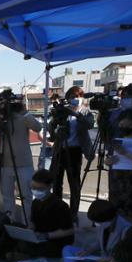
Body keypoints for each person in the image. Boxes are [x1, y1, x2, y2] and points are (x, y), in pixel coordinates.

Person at [0, 97, 42, 225]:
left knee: (26, 196)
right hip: (5, 163)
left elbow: (37, 127)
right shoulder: (0, 118)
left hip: (24, 164)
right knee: (7, 196)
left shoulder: (22, 116)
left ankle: (27, 224)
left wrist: (24, 111)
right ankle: (9, 222)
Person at [49, 86, 95, 221]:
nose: (74, 99)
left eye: (77, 97)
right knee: (56, 182)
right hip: (60, 149)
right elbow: (51, 129)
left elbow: (89, 125)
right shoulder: (62, 111)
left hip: (75, 150)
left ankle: (73, 213)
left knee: (74, 183)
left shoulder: (85, 112)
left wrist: (76, 114)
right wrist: (57, 117)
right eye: (71, 97)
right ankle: (57, 210)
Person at [62, 199, 132, 262]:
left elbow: (124, 258)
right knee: (67, 249)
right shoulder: (106, 222)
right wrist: (88, 251)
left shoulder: (126, 229)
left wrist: (108, 260)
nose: (97, 224)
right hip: (100, 257)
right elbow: (100, 242)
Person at [14, 169, 74, 258]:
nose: (36, 191)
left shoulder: (60, 206)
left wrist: (46, 236)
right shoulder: (35, 202)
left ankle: (21, 252)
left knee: (36, 247)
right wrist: (29, 230)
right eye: (33, 188)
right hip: (39, 237)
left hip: (56, 241)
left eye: (40, 188)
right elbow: (34, 222)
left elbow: (69, 231)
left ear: (49, 187)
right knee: (14, 229)